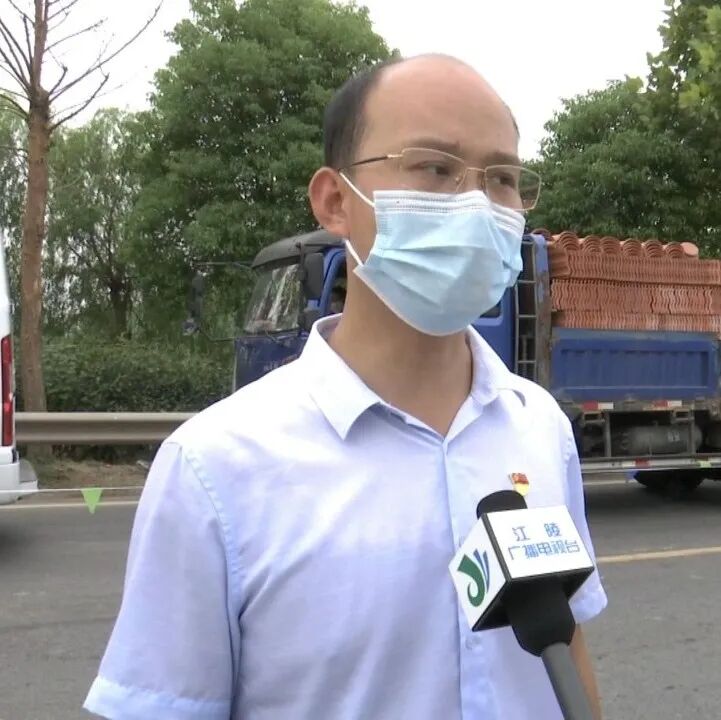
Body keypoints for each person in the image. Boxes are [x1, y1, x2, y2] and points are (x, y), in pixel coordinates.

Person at [84, 53, 607, 720]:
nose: (478, 205)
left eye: (501, 178)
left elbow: (566, 646)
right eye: (434, 168)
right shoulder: (214, 468)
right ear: (336, 201)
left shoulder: (539, 426)